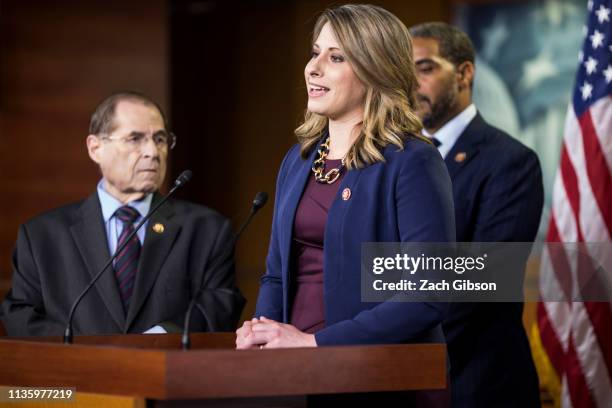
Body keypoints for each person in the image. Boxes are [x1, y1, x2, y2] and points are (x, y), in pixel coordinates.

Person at [236, 4, 455, 352]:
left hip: (374, 372)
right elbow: (276, 276)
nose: (313, 68)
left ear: (375, 71)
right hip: (292, 369)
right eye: (315, 53)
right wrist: (263, 333)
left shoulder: (413, 161)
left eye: (336, 58)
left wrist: (315, 343)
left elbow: (427, 295)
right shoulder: (298, 159)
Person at [0, 92, 245, 336]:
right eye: (135, 139)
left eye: (160, 139)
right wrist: (85, 353)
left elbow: (220, 307)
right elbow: (20, 316)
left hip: (166, 368)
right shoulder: (42, 235)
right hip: (75, 371)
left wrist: (157, 338)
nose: (152, 151)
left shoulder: (206, 229)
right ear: (95, 148)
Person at [409, 22, 544, 407]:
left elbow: (483, 277)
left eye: (425, 68)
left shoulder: (510, 161)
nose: (412, 84)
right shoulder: (395, 161)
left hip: (480, 384)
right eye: (405, 72)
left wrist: (395, 330)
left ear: (465, 73)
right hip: (404, 378)